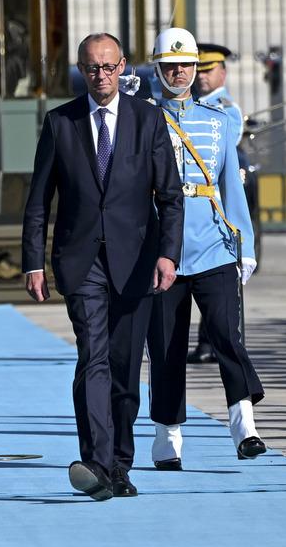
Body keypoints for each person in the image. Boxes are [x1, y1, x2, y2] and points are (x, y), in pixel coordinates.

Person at [21, 32, 185, 501]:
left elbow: (170, 195)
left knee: (125, 369)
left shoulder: (147, 119)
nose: (101, 76)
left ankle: (120, 464)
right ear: (81, 69)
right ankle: (96, 461)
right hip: (81, 263)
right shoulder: (60, 122)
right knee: (92, 357)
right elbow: (39, 201)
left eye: (109, 67)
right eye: (92, 68)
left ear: (123, 66)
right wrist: (33, 262)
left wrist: (168, 254)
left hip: (136, 262)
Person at [145, 28, 265, 471]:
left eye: (186, 65)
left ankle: (244, 427)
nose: (179, 72)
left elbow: (231, 186)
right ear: (158, 69)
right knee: (166, 347)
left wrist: (244, 245)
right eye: (170, 65)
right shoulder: (144, 118)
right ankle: (167, 436)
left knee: (227, 335)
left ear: (196, 69)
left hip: (214, 243)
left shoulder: (219, 120)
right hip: (164, 250)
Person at [187, 41, 257, 364]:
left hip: (218, 204)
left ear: (223, 73)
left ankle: (214, 342)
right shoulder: (189, 106)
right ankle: (207, 342)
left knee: (219, 280)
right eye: (198, 70)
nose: (202, 76)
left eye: (208, 70)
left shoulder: (226, 108)